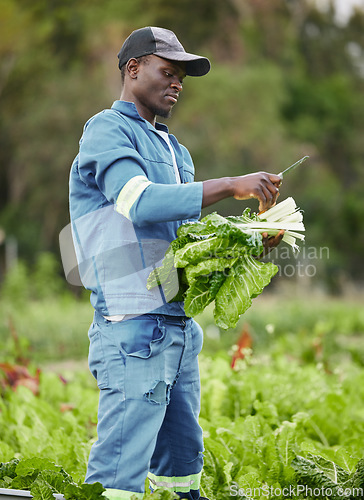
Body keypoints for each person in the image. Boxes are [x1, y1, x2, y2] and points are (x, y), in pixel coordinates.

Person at [69, 26, 282, 500]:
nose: (177, 84)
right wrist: (229, 185)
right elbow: (138, 202)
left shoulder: (176, 149)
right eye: (168, 72)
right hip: (132, 329)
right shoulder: (106, 130)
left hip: (177, 327)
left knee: (183, 464)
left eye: (182, 77)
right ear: (133, 69)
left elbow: (184, 245)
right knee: (119, 475)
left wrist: (251, 242)